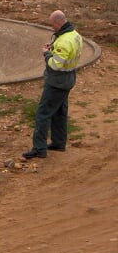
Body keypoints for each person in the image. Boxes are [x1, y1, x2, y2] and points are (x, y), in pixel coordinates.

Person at [22, 10, 83, 159]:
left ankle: (39, 148)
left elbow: (55, 65)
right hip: (68, 79)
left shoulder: (64, 41)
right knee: (60, 112)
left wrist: (46, 53)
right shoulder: (75, 35)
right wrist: (54, 49)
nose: (52, 28)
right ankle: (59, 142)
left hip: (57, 82)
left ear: (58, 23)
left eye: (52, 25)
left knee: (42, 114)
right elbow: (66, 56)